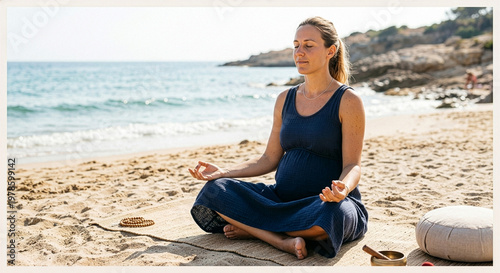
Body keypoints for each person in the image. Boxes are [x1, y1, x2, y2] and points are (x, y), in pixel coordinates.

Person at [188, 16, 368, 260]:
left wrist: (343, 189)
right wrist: (224, 172)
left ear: (330, 51)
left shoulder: (348, 101)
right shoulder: (285, 99)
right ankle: (279, 240)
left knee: (334, 216)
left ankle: (255, 230)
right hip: (280, 199)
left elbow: (353, 165)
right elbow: (269, 158)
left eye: (308, 45)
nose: (299, 52)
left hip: (324, 202)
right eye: (296, 45)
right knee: (214, 191)